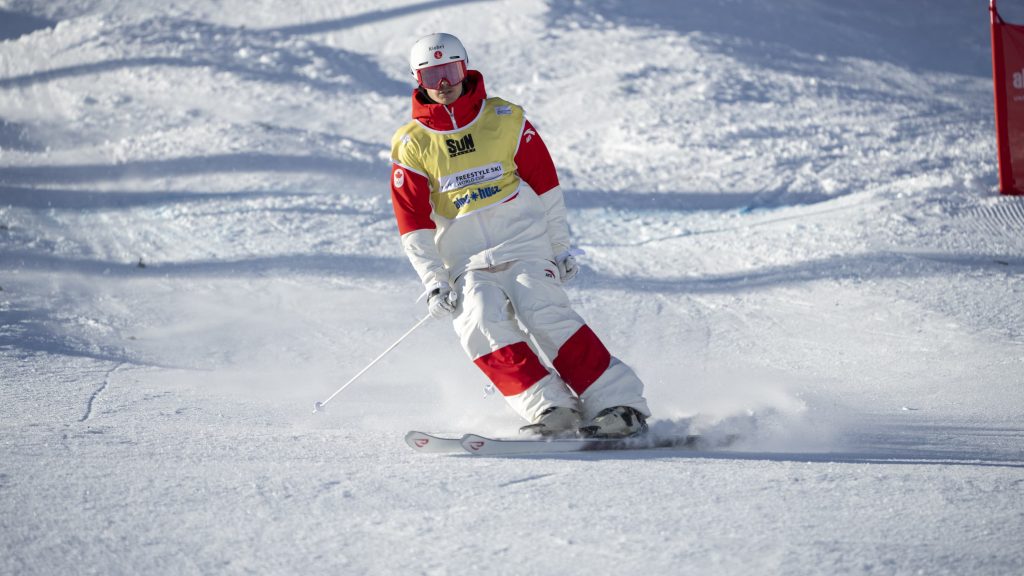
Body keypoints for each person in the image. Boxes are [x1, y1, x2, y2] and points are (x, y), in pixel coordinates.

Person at [388, 32, 651, 438]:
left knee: (543, 309)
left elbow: (546, 185)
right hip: (467, 260)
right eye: (432, 75)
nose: (444, 84)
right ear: (418, 80)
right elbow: (413, 223)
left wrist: (559, 247)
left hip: (524, 243)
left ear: (465, 68)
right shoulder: (412, 144)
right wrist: (434, 281)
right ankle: (552, 408)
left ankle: (621, 405)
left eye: (451, 70)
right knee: (479, 322)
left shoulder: (504, 119)